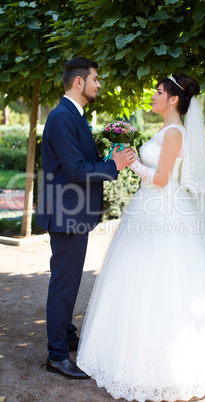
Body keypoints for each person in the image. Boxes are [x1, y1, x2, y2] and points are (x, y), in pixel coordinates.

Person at [77, 73, 205, 400]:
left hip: (165, 211)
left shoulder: (175, 133)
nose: (153, 96)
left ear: (174, 99)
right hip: (150, 207)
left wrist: (132, 162)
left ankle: (166, 366)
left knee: (161, 280)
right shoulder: (166, 130)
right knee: (137, 279)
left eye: (159, 92)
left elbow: (163, 179)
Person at [36, 57, 135, 379]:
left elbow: (78, 161)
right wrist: (113, 166)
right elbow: (77, 171)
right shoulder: (62, 117)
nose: (99, 84)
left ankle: (65, 335)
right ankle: (57, 355)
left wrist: (109, 158)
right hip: (66, 215)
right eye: (95, 79)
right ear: (79, 82)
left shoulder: (73, 116)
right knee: (64, 284)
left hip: (72, 213)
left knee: (69, 281)